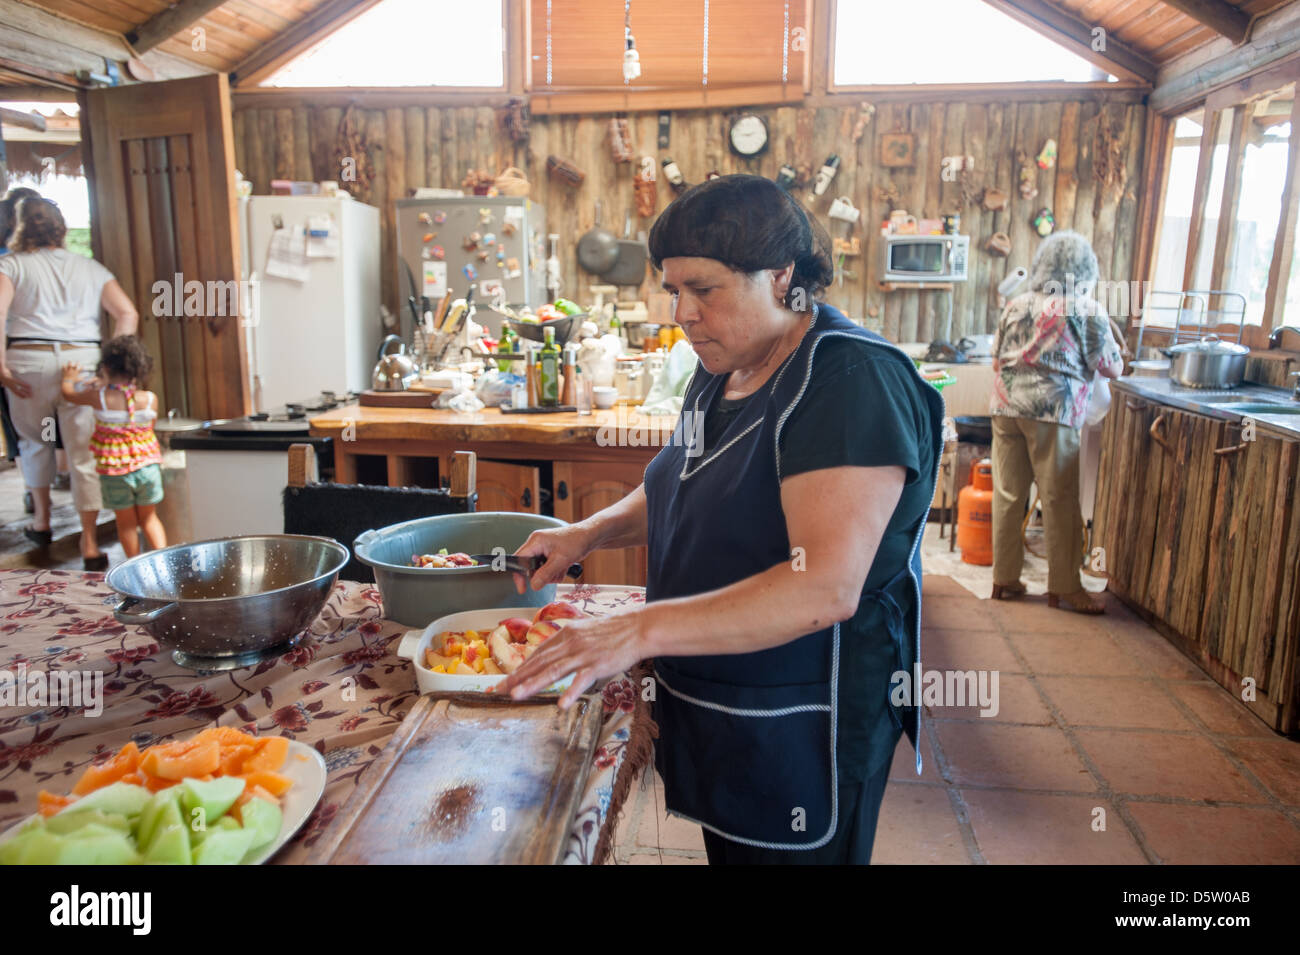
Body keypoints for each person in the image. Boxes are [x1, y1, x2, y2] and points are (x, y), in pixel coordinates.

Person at [496, 174, 944, 864]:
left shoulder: (849, 382)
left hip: (810, 716)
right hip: (729, 689)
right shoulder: (723, 369)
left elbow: (824, 585)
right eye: (673, 289)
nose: (683, 312)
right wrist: (587, 533)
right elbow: (681, 486)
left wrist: (637, 627)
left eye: (704, 290)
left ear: (781, 276)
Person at [988, 231, 1125, 614]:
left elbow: (997, 360)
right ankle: (1065, 587)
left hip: (1005, 407)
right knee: (1059, 500)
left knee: (1009, 495)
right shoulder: (1086, 309)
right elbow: (1112, 367)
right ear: (1085, 270)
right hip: (1053, 411)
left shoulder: (1016, 305)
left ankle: (1005, 579)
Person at [0, 197, 139, 570]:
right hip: (83, 365)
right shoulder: (90, 268)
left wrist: (0, 365)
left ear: (20, 225)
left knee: (38, 441)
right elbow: (127, 313)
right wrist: (109, 364)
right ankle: (91, 544)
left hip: (30, 363)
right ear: (61, 227)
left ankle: (42, 522)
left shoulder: (12, 266)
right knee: (83, 453)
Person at [60, 336, 165, 559]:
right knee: (149, 518)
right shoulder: (149, 399)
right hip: (148, 468)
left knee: (126, 524)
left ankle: (134, 570)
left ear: (105, 367)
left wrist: (68, 378)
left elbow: (68, 394)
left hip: (116, 472)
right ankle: (165, 565)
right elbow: (149, 429)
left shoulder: (100, 398)